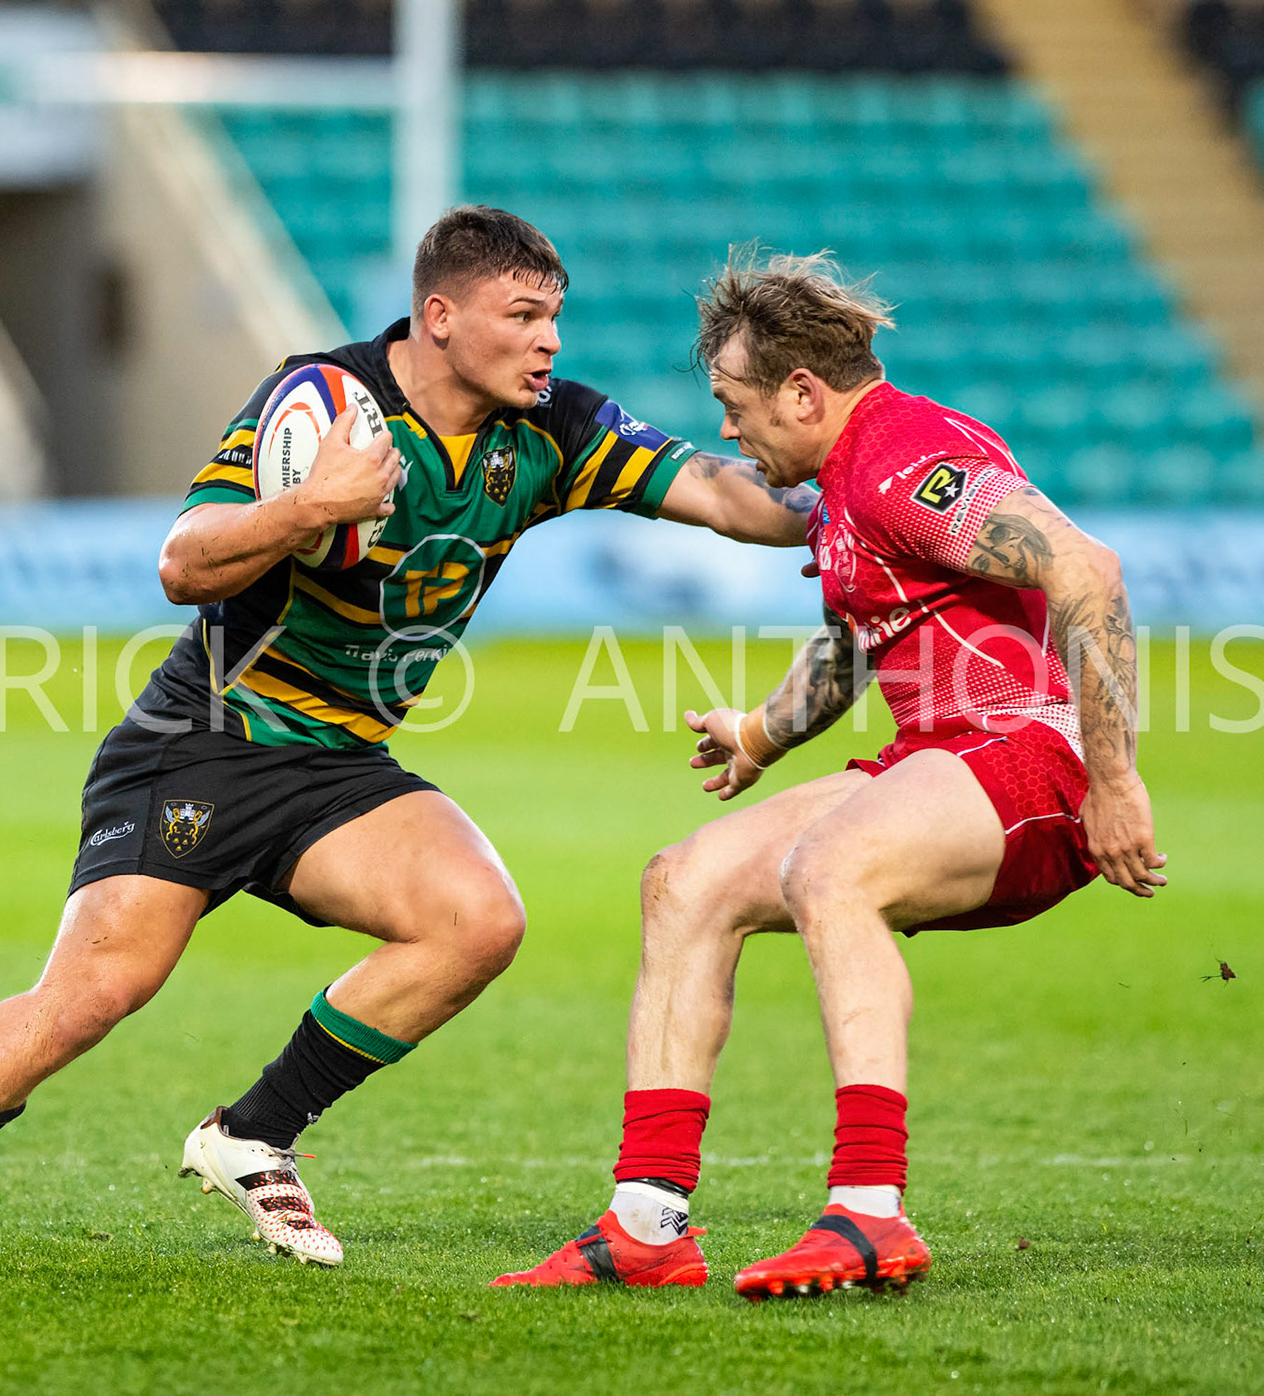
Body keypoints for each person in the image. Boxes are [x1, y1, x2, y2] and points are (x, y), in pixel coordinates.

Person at [0, 208, 817, 1272]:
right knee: (93, 993)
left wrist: (844, 501)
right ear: (441, 315)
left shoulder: (549, 430)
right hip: (206, 741)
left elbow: (727, 497)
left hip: (338, 765)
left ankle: (250, 1134)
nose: (550, 340)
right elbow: (183, 564)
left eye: (555, 316)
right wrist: (310, 505)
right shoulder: (324, 403)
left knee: (476, 920)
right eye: (524, 315)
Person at [493, 251, 1167, 1298]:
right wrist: (761, 734)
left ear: (803, 392)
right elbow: (861, 638)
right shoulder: (849, 482)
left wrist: (1115, 780)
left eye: (734, 401)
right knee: (688, 879)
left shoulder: (904, 460)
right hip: (939, 756)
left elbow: (1088, 570)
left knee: (829, 867)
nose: (726, 427)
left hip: (1028, 758)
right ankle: (646, 1222)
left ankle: (868, 1212)